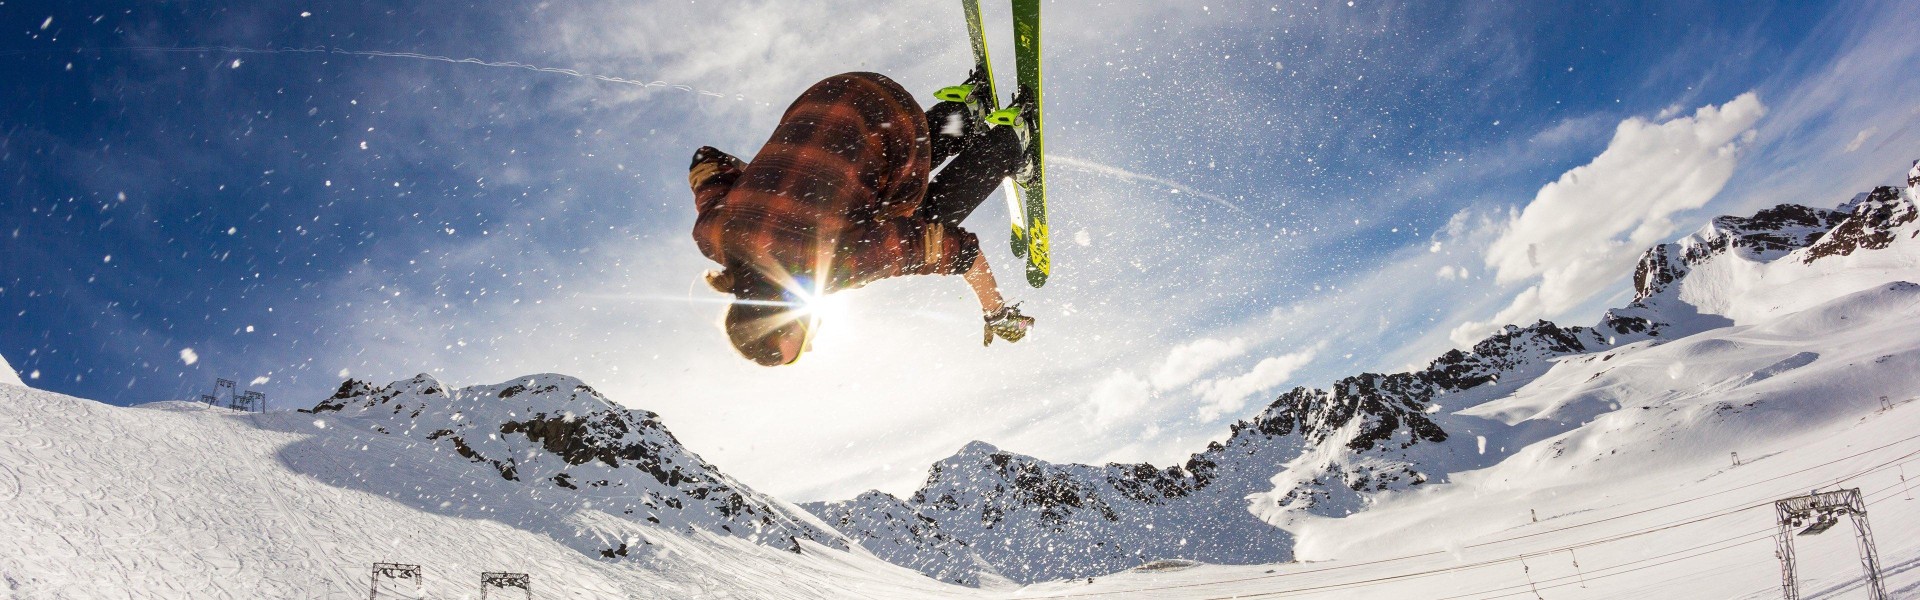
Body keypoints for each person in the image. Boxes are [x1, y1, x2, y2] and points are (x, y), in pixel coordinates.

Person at [688, 72, 1036, 366]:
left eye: (796, 352)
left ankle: (1007, 144)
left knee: (920, 219)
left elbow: (953, 250)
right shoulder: (712, 235)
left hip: (897, 115)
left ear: (779, 318)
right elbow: (705, 159)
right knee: (865, 184)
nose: (810, 347)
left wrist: (996, 312)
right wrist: (777, 187)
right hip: (835, 93)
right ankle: (964, 113)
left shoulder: (832, 265)